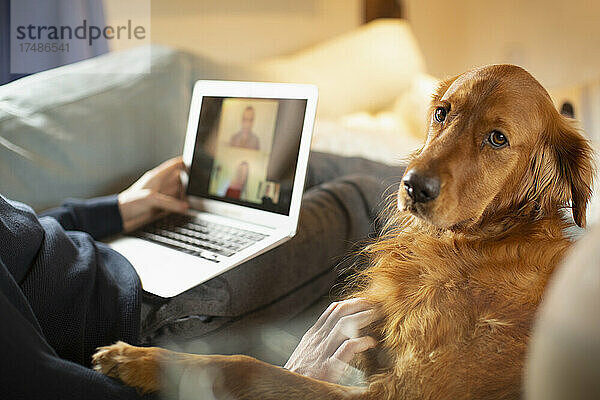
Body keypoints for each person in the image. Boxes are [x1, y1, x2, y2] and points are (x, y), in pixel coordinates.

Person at [1, 153, 400, 399]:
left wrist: (113, 210)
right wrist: (275, 387)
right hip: (144, 313)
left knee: (299, 167)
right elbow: (40, 386)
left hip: (113, 255)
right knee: (363, 197)